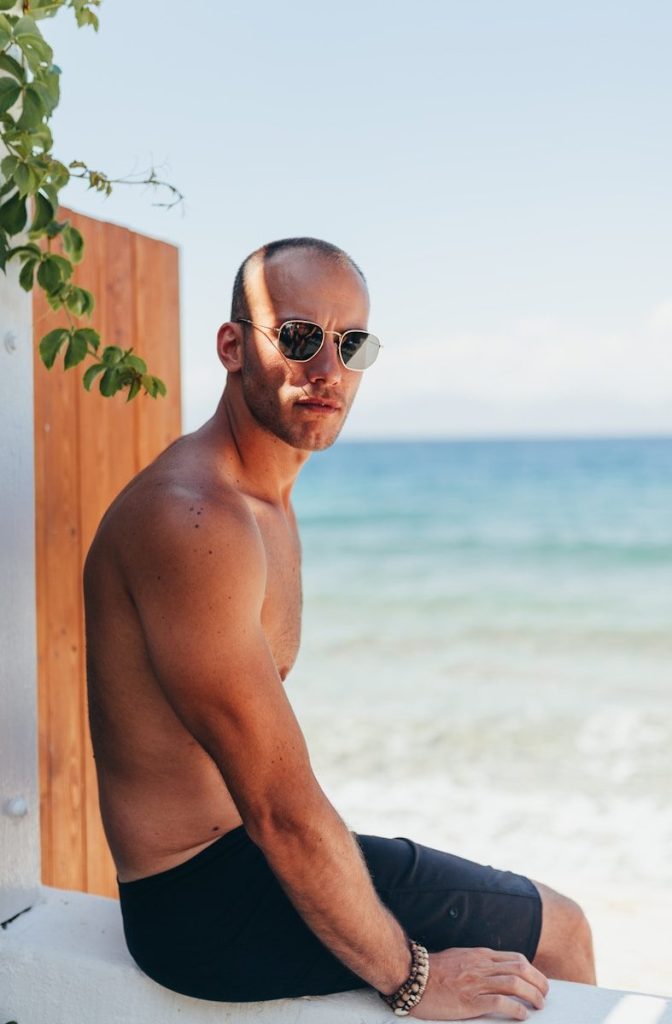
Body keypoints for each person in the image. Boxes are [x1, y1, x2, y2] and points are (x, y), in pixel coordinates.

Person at [83, 237, 596, 1020]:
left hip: (236, 866)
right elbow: (281, 810)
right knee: (557, 933)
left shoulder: (264, 501)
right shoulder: (195, 520)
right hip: (203, 904)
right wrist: (413, 977)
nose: (328, 369)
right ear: (232, 346)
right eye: (297, 337)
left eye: (351, 344)